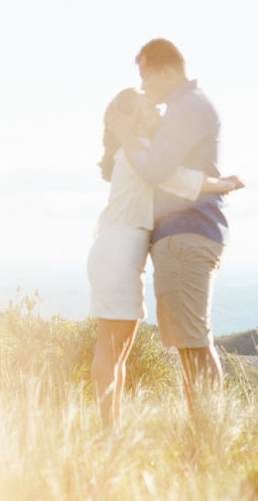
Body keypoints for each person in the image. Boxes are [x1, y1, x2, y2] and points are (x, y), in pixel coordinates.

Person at [88, 87, 242, 428]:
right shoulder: (137, 152)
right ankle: (107, 430)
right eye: (148, 107)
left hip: (119, 256)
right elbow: (175, 179)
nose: (156, 111)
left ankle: (111, 429)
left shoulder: (132, 151)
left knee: (118, 351)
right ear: (132, 118)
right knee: (111, 348)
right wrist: (221, 185)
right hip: (118, 256)